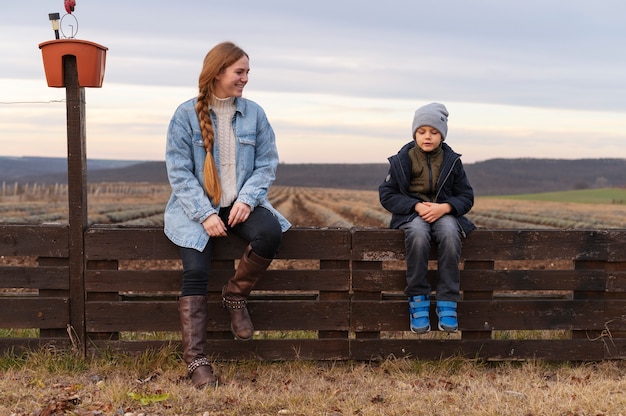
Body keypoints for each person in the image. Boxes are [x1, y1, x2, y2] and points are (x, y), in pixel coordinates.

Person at [164, 41, 291, 388]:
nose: (246, 78)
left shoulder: (255, 114)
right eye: (240, 71)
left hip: (240, 204)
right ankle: (196, 361)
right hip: (195, 210)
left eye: (248, 71)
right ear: (218, 72)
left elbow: (267, 163)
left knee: (270, 234)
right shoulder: (185, 115)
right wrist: (205, 213)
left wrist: (248, 200)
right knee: (195, 271)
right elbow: (178, 172)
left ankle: (235, 295)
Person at [378, 102, 475, 334]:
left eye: (433, 132)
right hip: (413, 215)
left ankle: (447, 300)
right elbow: (387, 195)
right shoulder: (402, 160)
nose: (427, 137)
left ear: (442, 135)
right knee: (419, 235)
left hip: (444, 213)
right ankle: (418, 297)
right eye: (422, 132)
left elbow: (466, 196)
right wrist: (416, 206)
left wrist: (446, 207)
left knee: (451, 234)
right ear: (414, 134)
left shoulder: (452, 161)